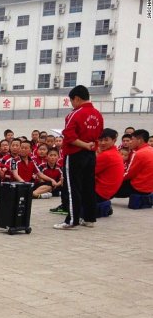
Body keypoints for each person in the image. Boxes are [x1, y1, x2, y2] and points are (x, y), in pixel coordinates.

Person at [55, 85, 104, 230]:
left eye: (72, 101)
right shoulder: (97, 114)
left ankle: (72, 219)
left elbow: (69, 136)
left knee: (72, 188)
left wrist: (84, 145)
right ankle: (89, 218)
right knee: (89, 186)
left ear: (76, 98)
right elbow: (99, 134)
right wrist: (90, 146)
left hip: (75, 154)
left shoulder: (75, 114)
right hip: (90, 155)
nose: (72, 104)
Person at [115, 129, 153, 197]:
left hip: (138, 187)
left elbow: (128, 174)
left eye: (132, 139)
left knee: (109, 187)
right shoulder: (150, 149)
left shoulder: (139, 153)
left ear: (139, 140)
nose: (130, 142)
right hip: (149, 188)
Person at [95, 129, 124, 208]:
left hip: (100, 192)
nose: (102, 143)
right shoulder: (115, 153)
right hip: (109, 192)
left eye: (106, 140)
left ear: (114, 140)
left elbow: (88, 171)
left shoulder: (106, 155)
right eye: (100, 140)